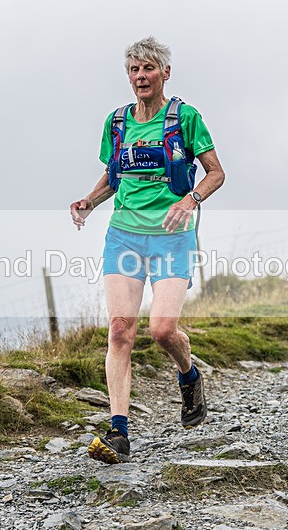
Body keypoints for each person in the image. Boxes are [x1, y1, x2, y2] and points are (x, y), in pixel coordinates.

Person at [69, 36, 226, 464]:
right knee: (120, 330)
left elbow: (216, 173)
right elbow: (112, 174)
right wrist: (89, 200)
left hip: (172, 237)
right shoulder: (117, 123)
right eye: (134, 70)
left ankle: (189, 375)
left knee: (161, 330)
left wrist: (189, 200)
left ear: (165, 73)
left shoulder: (186, 118)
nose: (140, 77)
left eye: (148, 69)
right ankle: (118, 432)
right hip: (124, 235)